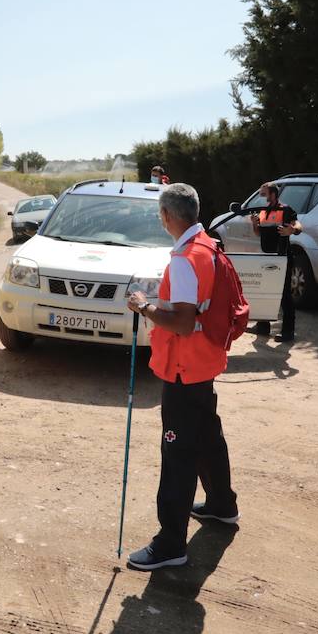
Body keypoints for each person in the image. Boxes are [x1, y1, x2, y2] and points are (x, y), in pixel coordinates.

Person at [125, 183, 238, 571]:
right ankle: (222, 506)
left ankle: (170, 543)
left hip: (183, 365)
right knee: (207, 433)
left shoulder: (184, 258)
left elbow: (184, 323)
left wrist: (145, 306)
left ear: (168, 217)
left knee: (177, 455)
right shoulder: (207, 245)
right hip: (203, 363)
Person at [247, 182, 303, 341]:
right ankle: (263, 327)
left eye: (263, 193)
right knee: (264, 291)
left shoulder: (285, 209)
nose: (261, 195)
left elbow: (298, 225)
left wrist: (292, 230)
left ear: (273, 194)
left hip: (282, 257)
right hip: (267, 257)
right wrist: (255, 224)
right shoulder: (264, 211)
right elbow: (259, 234)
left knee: (285, 294)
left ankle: (287, 333)